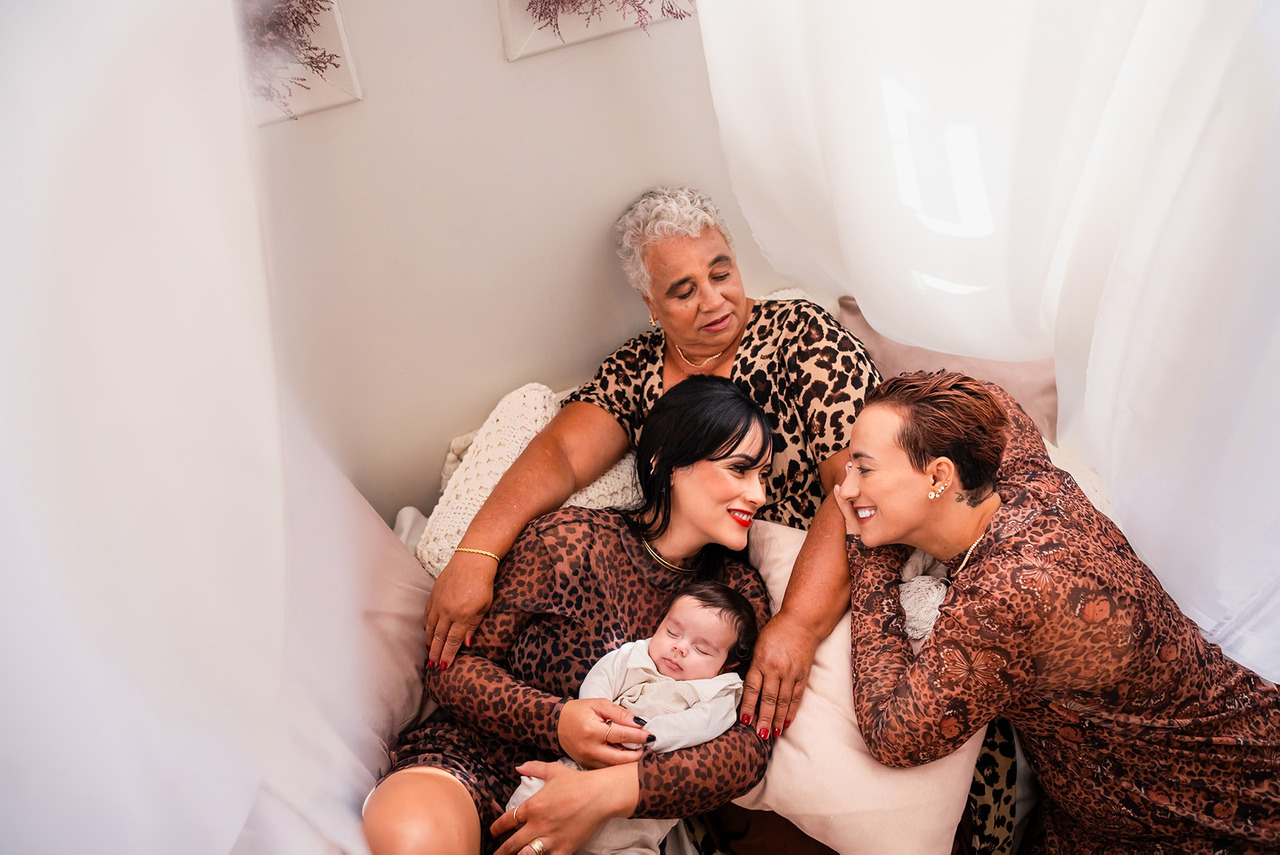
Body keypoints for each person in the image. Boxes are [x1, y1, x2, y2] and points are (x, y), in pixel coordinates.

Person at [424, 187, 880, 741]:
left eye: (721, 273)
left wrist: (799, 624)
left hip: (820, 566)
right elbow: (561, 454)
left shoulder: (802, 336)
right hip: (712, 602)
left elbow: (859, 481)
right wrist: (477, 553)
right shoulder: (637, 368)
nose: (713, 300)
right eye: (683, 291)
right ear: (651, 305)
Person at [831, 371, 1280, 852]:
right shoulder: (1023, 472)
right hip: (1102, 811)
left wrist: (864, 548)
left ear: (940, 475)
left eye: (864, 470)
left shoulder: (1007, 593)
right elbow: (990, 397)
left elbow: (892, 735)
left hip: (1208, 803)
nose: (845, 489)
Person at [363, 376, 774, 855]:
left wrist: (605, 794)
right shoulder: (570, 542)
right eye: (740, 469)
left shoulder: (739, 596)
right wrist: (557, 721)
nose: (759, 495)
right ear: (667, 463)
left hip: (610, 824)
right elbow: (450, 667)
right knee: (410, 840)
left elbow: (748, 749)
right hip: (477, 764)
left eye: (763, 476)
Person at [505, 579, 759, 855]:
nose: (680, 648)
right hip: (585, 764)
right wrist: (597, 713)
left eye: (702, 650)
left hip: (640, 805)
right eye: (672, 632)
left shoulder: (719, 692)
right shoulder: (635, 655)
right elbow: (601, 678)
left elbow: (697, 726)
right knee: (532, 791)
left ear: (728, 665)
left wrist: (646, 734)